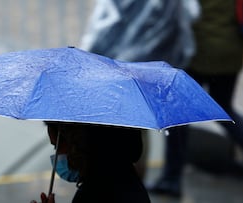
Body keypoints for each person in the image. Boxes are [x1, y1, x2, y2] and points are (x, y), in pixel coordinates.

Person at [147, 0, 243, 201]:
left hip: (200, 51)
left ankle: (171, 178)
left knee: (178, 111)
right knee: (224, 107)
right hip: (231, 50)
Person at [79, 0, 199, 180]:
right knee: (140, 125)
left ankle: (127, 180)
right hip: (156, 63)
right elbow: (191, 14)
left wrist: (85, 58)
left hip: (123, 63)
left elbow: (104, 23)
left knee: (127, 125)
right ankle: (136, 182)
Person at [31, 122, 151, 203]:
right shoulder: (128, 181)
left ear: (75, 144)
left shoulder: (92, 194)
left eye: (56, 147)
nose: (57, 154)